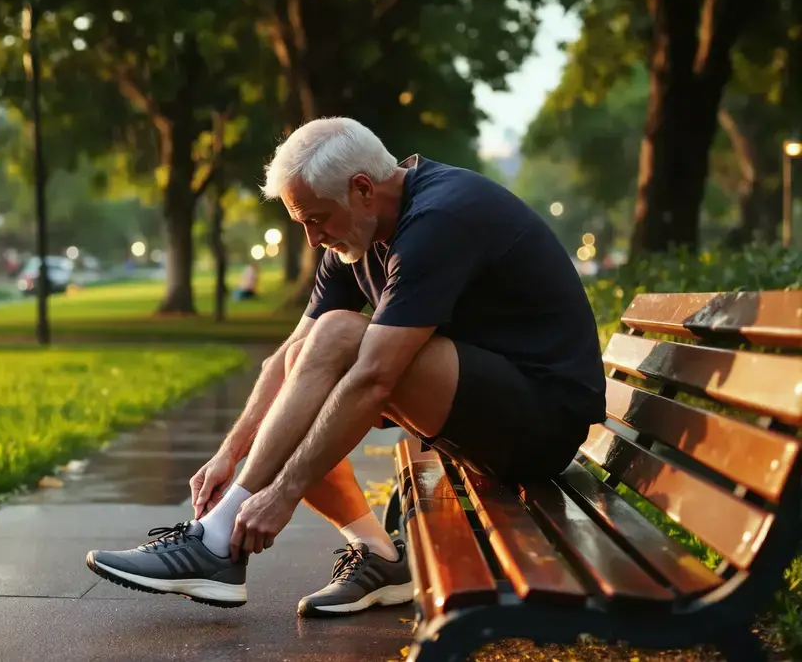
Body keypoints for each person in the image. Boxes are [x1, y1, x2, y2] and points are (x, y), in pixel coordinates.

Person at [84, 117, 606, 617]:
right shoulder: (356, 233)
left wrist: (281, 495)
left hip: (540, 424)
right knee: (305, 360)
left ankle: (215, 543)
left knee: (339, 336)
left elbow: (375, 378)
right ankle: (376, 553)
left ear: (362, 188)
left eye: (316, 219)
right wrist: (230, 454)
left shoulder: (441, 217)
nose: (313, 239)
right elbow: (289, 357)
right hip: (480, 416)